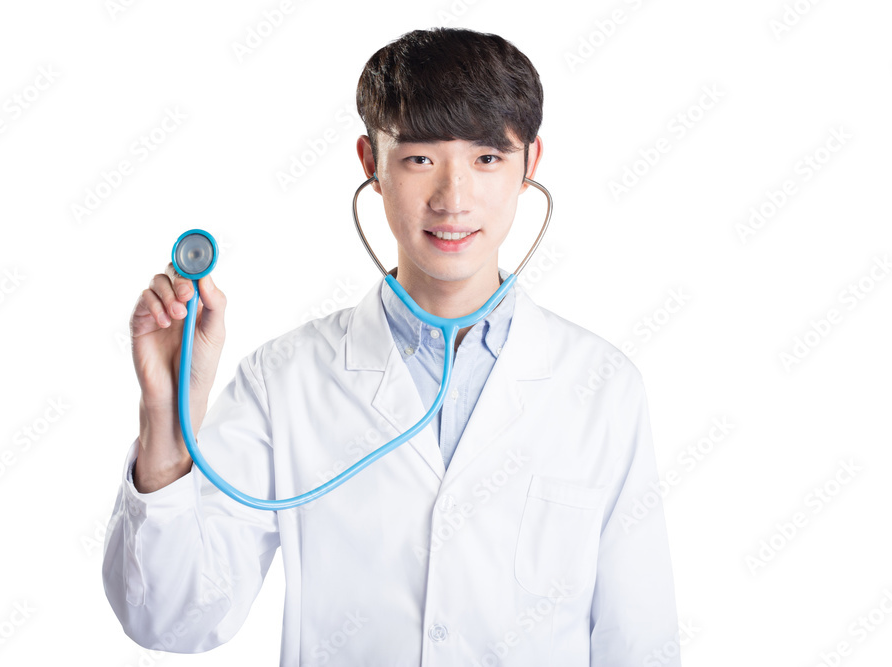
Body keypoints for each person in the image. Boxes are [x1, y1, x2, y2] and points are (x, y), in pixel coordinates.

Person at [102, 27, 682, 666]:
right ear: (369, 164)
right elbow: (172, 619)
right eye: (419, 159)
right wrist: (167, 422)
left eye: (487, 158)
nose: (452, 198)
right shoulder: (285, 381)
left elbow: (639, 643)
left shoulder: (601, 386)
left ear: (530, 165)